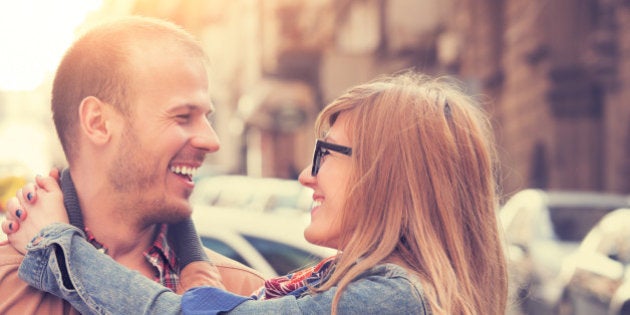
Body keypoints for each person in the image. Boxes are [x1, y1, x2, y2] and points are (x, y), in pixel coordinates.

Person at [3, 72, 508, 314]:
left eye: (325, 155)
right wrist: (175, 211)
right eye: (182, 116)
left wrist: (54, 242)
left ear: (388, 173)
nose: (306, 178)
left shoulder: (391, 299)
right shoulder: (366, 284)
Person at [0, 16, 264, 314]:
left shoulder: (246, 293)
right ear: (98, 123)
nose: (211, 140)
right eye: (182, 116)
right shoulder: (6, 287)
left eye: (207, 117)